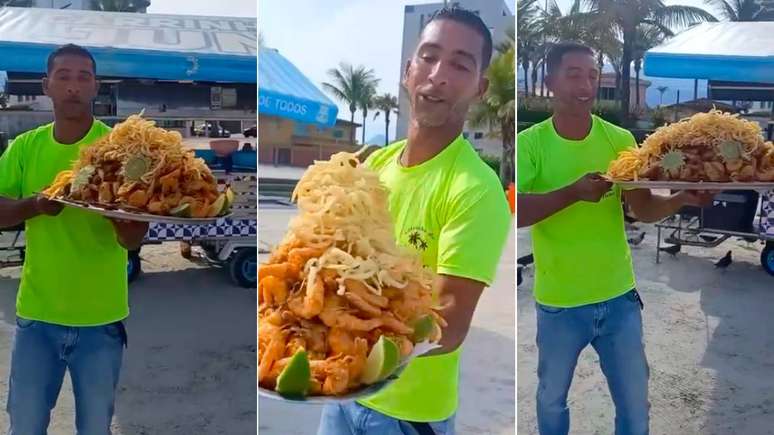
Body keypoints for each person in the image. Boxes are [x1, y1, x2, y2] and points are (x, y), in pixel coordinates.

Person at [317, 7, 511, 435]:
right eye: (428, 56)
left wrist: (345, 328)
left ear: (479, 87)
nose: (439, 74)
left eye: (460, 64)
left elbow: (448, 325)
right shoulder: (371, 167)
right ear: (408, 72)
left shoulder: (474, 189)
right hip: (339, 396)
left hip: (408, 415)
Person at [516, 41, 715, 435]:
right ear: (550, 81)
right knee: (551, 402)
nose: (585, 84)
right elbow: (517, 211)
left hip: (619, 299)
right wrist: (572, 193)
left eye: (592, 76)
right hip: (559, 305)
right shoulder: (529, 145)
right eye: (574, 74)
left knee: (635, 408)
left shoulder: (620, 139)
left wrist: (681, 198)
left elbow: (642, 209)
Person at [0, 44, 148, 433]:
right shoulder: (24, 148)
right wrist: (37, 204)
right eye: (63, 76)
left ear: (95, 87)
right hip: (37, 317)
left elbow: (133, 241)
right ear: (46, 85)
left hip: (101, 321)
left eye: (83, 77)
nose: (73, 86)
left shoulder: (119, 150)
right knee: (26, 426)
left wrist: (113, 210)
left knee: (95, 428)